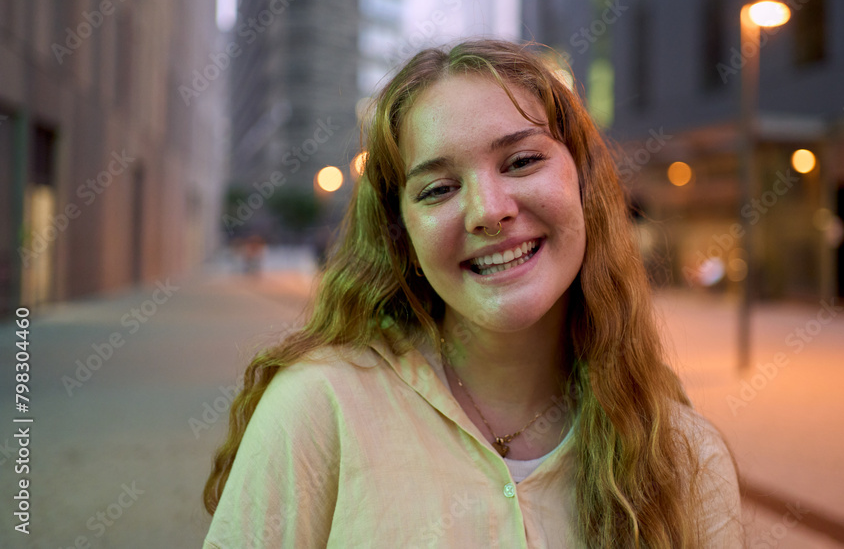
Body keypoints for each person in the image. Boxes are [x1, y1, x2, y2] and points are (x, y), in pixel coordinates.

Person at [202, 39, 742, 547]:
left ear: (583, 184)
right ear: (402, 235)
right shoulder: (318, 408)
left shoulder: (685, 455)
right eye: (438, 188)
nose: (488, 210)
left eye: (523, 161)